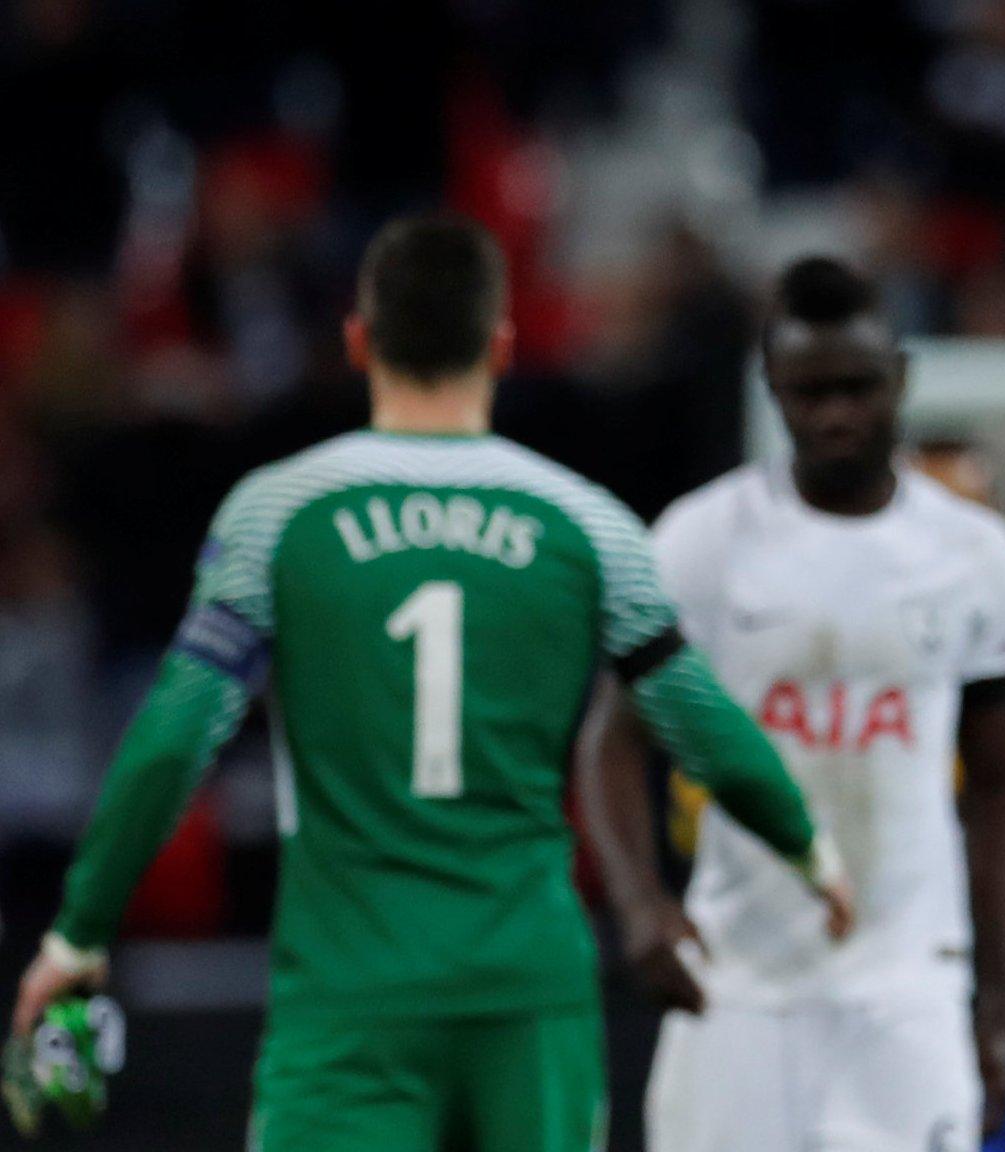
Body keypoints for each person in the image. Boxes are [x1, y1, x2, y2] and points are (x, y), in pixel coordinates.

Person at [8, 215, 844, 1152]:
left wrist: (77, 934)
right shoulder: (588, 522)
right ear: (500, 345)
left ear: (360, 342)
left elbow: (175, 737)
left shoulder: (278, 512)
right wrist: (810, 849)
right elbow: (696, 717)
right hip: (526, 989)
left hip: (350, 993)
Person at [580, 257, 1005, 1152]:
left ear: (900, 379)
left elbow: (999, 788)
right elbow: (612, 738)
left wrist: (1001, 1005)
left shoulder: (975, 555)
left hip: (908, 985)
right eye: (809, 392)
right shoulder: (699, 544)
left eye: (859, 388)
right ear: (772, 388)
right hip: (740, 982)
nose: (835, 415)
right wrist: (638, 909)